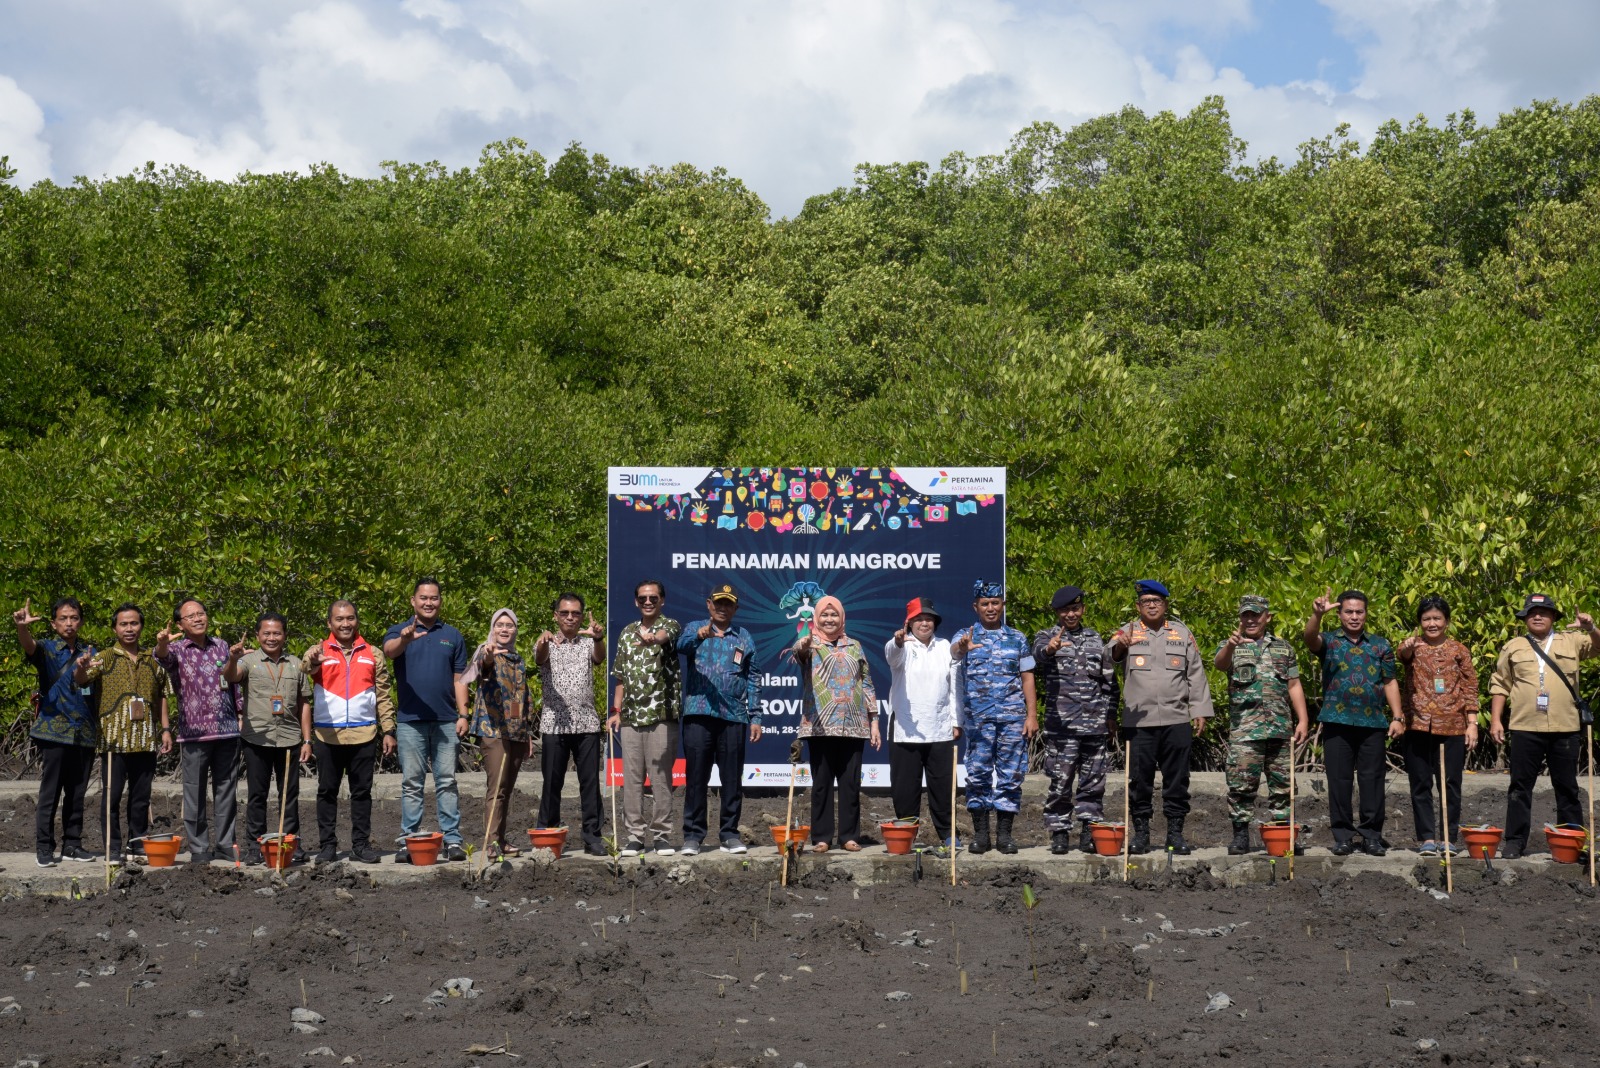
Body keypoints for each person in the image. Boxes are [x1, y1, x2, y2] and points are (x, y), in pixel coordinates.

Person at [1488, 593, 1600, 858]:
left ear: (1553, 617)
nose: (1537, 616)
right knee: (1519, 786)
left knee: (1567, 787)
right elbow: (1500, 684)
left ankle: (1571, 843)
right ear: (1525, 618)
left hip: (1565, 727)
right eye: (1532, 613)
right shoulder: (1513, 646)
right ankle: (1515, 842)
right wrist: (1495, 720)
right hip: (1525, 726)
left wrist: (1592, 628)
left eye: (1544, 612)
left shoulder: (1572, 641)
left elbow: (1598, 648)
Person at [1110, 580, 1213, 855]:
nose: (1152, 605)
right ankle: (1141, 833)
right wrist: (1120, 646)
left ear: (1165, 605)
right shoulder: (1127, 631)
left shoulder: (1181, 633)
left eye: (1157, 601)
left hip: (1176, 717)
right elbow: (1108, 659)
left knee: (1177, 778)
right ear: (1138, 606)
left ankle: (1175, 833)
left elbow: (1195, 673)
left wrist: (1200, 709)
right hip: (1139, 721)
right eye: (1146, 602)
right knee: (1139, 780)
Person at [1304, 588, 1402, 856]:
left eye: (1359, 612)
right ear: (1339, 614)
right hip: (1337, 722)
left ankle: (1371, 836)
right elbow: (1309, 638)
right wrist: (1315, 615)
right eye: (1349, 611)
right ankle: (1343, 836)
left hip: (1373, 723)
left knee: (1373, 781)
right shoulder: (1329, 641)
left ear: (1366, 614)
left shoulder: (1380, 644)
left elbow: (1389, 680)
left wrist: (1397, 716)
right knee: (1339, 780)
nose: (1355, 617)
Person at [75, 603, 171, 864]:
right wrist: (81, 666)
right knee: (112, 796)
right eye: (124, 624)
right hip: (113, 741)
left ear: (141, 626)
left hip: (145, 739)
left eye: (134, 623)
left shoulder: (152, 660)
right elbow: (82, 679)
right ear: (115, 628)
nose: (129, 629)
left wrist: (165, 729)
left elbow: (163, 693)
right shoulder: (105, 657)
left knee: (141, 797)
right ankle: (113, 846)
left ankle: (137, 843)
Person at [384, 577, 470, 862]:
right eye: (423, 598)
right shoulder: (399, 631)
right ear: (413, 601)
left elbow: (460, 679)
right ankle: (408, 839)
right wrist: (406, 639)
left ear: (440, 601)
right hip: (410, 721)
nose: (429, 603)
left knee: (446, 781)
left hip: (446, 720)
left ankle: (453, 840)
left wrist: (463, 714)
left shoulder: (453, 636)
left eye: (434, 598)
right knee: (412, 783)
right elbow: (388, 651)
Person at [1214, 595, 1309, 855]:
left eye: (1255, 615)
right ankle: (1240, 837)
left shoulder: (1283, 648)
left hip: (1279, 728)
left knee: (1284, 786)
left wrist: (1303, 719)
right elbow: (1220, 664)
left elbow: (1293, 684)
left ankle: (1282, 835)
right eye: (1246, 615)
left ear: (1267, 617)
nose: (1250, 619)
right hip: (1245, 730)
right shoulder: (1230, 645)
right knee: (1241, 785)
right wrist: (1231, 647)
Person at [305, 600, 397, 863]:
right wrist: (312, 662)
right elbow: (305, 669)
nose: (345, 624)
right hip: (327, 735)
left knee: (362, 793)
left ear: (357, 620)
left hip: (364, 734)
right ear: (329, 623)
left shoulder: (373, 653)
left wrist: (388, 729)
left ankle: (360, 844)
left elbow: (383, 694)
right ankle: (327, 846)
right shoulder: (318, 651)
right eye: (339, 619)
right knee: (326, 792)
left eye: (350, 618)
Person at [951, 579, 1037, 855]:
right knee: (978, 775)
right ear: (975, 606)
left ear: (1002, 605)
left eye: (995, 603)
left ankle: (1004, 836)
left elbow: (1027, 677)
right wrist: (963, 648)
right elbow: (954, 652)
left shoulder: (1018, 638)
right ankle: (981, 836)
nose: (990, 608)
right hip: (978, 720)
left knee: (1011, 775)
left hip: (1012, 718)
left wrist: (1032, 715)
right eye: (985, 604)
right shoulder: (964, 635)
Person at [676, 582, 763, 856]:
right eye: (719, 603)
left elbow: (753, 677)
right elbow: (681, 646)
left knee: (732, 779)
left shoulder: (744, 637)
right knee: (696, 778)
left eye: (729, 603)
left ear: (735, 608)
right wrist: (701, 636)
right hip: (699, 713)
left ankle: (729, 833)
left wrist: (756, 716)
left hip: (734, 716)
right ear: (709, 605)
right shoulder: (695, 628)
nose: (723, 608)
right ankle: (693, 835)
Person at [789, 595, 881, 852]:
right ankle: (821, 837)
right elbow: (799, 652)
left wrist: (874, 721)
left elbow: (867, 683)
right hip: (819, 726)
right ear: (816, 618)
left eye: (834, 615)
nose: (829, 620)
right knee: (821, 785)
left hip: (854, 725)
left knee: (851, 784)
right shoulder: (810, 644)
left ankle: (849, 836)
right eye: (824, 616)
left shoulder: (855, 646)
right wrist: (805, 643)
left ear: (842, 618)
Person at [156, 597, 243, 863]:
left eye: (201, 613)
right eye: (190, 616)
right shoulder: (177, 649)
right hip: (193, 733)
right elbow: (162, 659)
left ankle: (226, 843)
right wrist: (162, 642)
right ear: (180, 624)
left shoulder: (222, 646)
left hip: (226, 729)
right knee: (193, 791)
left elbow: (234, 680)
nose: (197, 618)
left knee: (226, 789)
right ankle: (199, 846)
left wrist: (240, 712)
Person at [1031, 585, 1117, 854]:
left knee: (1093, 782)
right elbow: (1034, 660)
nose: (1071, 614)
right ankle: (1058, 831)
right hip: (1062, 725)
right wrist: (1049, 650)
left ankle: (1088, 831)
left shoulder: (1095, 639)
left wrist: (1111, 714)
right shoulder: (1045, 637)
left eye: (1076, 609)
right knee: (1061, 780)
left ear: (1083, 609)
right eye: (1066, 610)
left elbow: (1108, 679)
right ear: (1057, 612)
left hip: (1094, 723)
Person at [15, 597, 99, 867]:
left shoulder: (92, 653)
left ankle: (72, 845)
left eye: (74, 618)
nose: (69, 623)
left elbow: (87, 683)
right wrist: (22, 627)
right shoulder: (48, 650)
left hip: (83, 732)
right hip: (54, 731)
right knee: (50, 792)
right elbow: (29, 647)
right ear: (53, 623)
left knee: (77, 792)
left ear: (81, 621)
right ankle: (44, 847)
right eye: (63, 618)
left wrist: (84, 670)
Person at [223, 612, 313, 865]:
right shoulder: (248, 661)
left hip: (290, 739)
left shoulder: (297, 664)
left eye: (277, 633)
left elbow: (304, 704)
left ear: (285, 636)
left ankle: (292, 842)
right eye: (266, 633)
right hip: (256, 738)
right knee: (257, 794)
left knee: (289, 795)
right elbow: (231, 676)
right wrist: (232, 658)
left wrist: (307, 740)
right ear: (257, 636)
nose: (271, 638)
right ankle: (255, 844)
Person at [1395, 595, 1479, 857]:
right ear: (1420, 622)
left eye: (1436, 618)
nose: (1432, 623)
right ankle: (1427, 839)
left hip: (1453, 725)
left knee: (1450, 784)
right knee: (1420, 783)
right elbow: (1402, 655)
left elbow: (1470, 686)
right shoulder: (1411, 647)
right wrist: (1408, 647)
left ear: (1446, 621)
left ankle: (1448, 837)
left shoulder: (1459, 650)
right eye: (1426, 619)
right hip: (1418, 725)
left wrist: (1472, 723)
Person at [607, 580, 682, 858]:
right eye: (642, 598)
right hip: (629, 717)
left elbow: (666, 635)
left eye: (653, 597)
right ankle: (635, 836)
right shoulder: (626, 633)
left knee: (661, 778)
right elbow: (620, 677)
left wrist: (655, 638)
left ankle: (662, 835)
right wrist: (615, 712)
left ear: (662, 599)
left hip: (662, 716)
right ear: (636, 602)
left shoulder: (670, 625)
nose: (648, 602)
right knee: (632, 778)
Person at [885, 596, 961, 853]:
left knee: (942, 787)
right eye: (918, 619)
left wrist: (955, 719)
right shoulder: (900, 645)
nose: (924, 623)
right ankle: (906, 836)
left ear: (935, 622)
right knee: (905, 789)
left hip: (940, 727)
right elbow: (892, 656)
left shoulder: (944, 646)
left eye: (928, 618)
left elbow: (953, 687)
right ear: (909, 624)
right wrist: (898, 641)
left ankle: (949, 834)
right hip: (905, 728)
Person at [535, 593, 609, 856]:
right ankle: (548, 833)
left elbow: (599, 658)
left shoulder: (588, 644)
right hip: (554, 725)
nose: (570, 617)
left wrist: (598, 637)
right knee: (551, 783)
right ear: (556, 615)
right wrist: (543, 639)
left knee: (590, 784)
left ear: (581, 617)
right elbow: (538, 658)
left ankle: (593, 837)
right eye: (565, 613)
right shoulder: (546, 642)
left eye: (575, 613)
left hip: (587, 724)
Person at [464, 608, 533, 860]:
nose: (505, 629)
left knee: (507, 788)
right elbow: (483, 666)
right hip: (492, 730)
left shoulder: (518, 658)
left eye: (510, 625)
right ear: (493, 628)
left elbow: (521, 699)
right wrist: (489, 655)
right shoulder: (486, 651)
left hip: (515, 731)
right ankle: (491, 842)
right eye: (500, 625)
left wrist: (526, 734)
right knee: (496, 788)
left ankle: (500, 839)